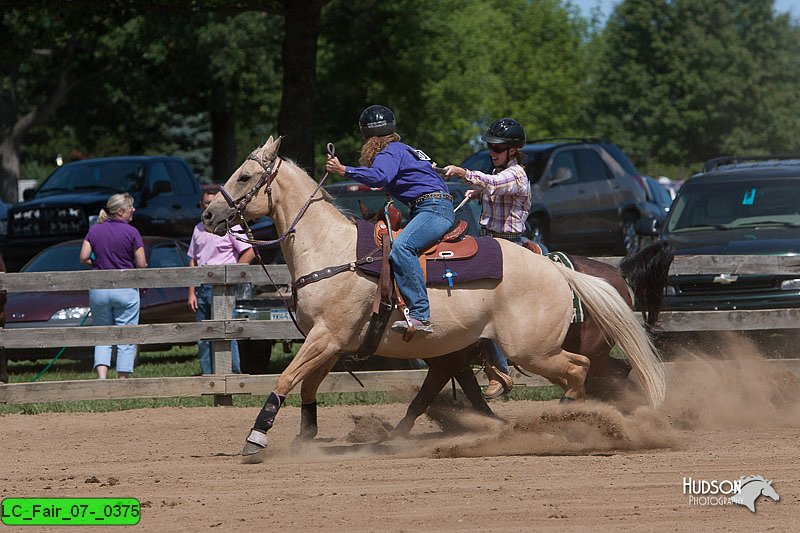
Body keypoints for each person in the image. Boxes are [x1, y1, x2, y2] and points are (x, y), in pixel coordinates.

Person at [325, 104, 455, 334]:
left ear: (367, 137)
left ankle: (420, 315)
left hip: (433, 209)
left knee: (402, 248)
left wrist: (344, 170)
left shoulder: (389, 152)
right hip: (430, 207)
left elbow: (379, 176)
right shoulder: (404, 149)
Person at [444, 117, 531, 398]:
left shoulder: (516, 174)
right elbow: (491, 186)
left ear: (513, 150)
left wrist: (463, 174)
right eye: (490, 147)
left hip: (508, 244)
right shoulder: (502, 172)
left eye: (497, 148)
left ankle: (500, 370)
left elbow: (495, 183)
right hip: (490, 241)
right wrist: (477, 192)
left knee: (485, 303)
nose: (492, 152)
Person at [79, 193, 147, 379]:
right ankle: (122, 378)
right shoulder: (132, 232)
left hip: (99, 288)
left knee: (102, 333)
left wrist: (99, 264)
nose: (134, 210)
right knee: (125, 334)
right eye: (130, 207)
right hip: (125, 289)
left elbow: (84, 256)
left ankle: (102, 378)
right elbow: (141, 263)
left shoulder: (94, 230)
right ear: (120, 211)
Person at [188, 189, 255, 374]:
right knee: (204, 334)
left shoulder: (230, 226)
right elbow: (193, 260)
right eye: (205, 203)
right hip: (202, 287)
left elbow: (249, 251)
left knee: (227, 332)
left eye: (212, 202)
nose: (208, 206)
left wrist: (233, 274)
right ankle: (208, 375)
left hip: (224, 287)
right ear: (201, 205)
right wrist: (191, 292)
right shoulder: (198, 228)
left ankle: (231, 374)